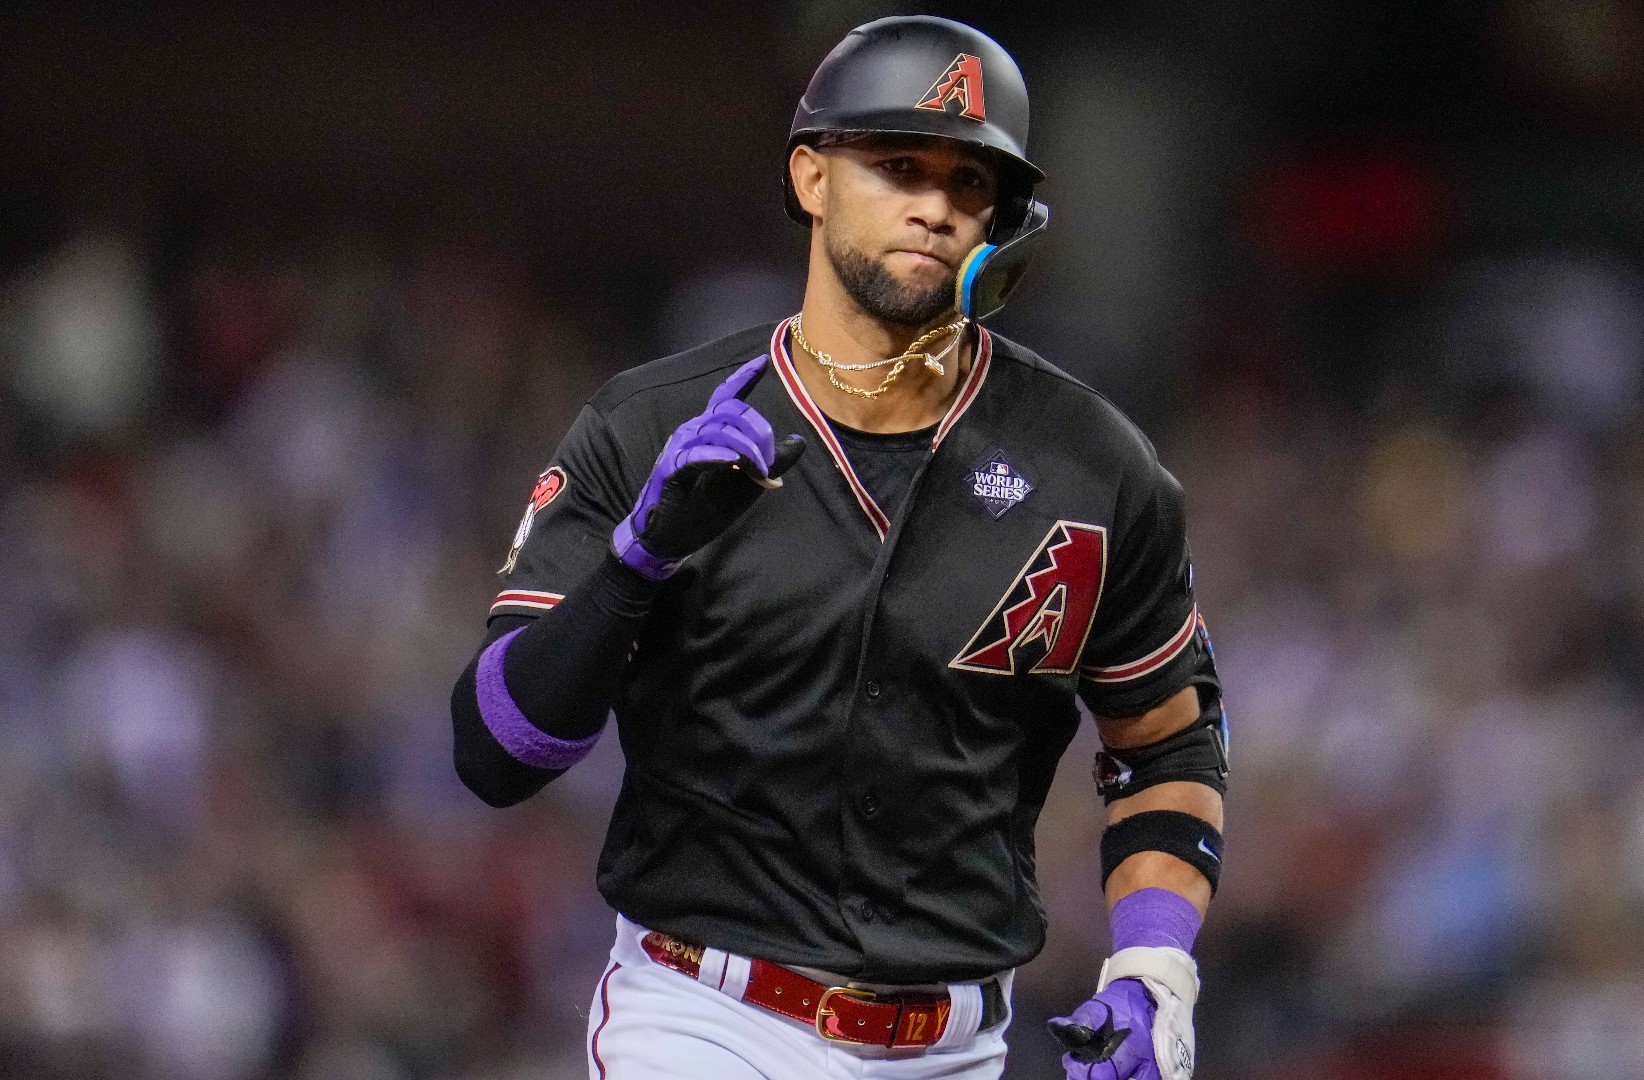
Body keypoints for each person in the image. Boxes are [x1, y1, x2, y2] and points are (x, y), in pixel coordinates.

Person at [449, 16, 1226, 1080]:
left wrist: (1153, 966)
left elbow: (1167, 749)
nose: (937, 207)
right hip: (703, 1019)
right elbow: (495, 751)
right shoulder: (652, 427)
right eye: (898, 164)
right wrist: (635, 566)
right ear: (811, 178)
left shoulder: (1095, 469)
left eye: (971, 183)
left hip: (957, 1043)